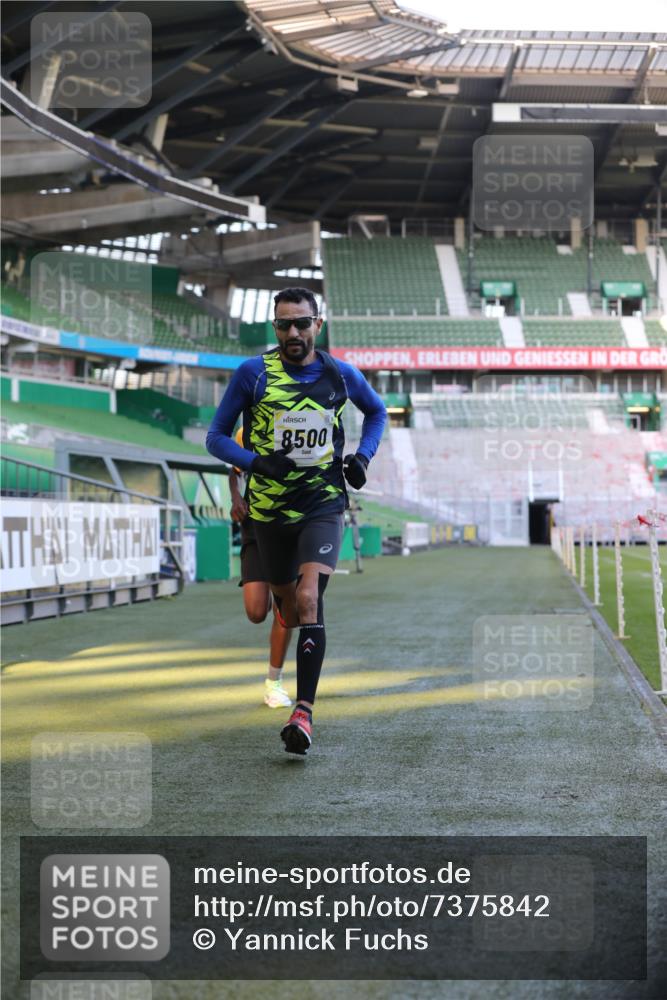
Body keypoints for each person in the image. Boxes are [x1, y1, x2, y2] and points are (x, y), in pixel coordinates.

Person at [206, 286, 387, 756]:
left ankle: (303, 712)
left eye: (302, 323)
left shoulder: (340, 375)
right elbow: (215, 437)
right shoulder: (252, 374)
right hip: (267, 513)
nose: (293, 332)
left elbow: (377, 412)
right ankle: (290, 637)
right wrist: (256, 462)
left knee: (309, 599)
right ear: (275, 327)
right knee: (284, 606)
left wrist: (362, 458)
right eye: (284, 324)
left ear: (317, 325)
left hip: (323, 505)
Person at [229, 427, 293, 708]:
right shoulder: (247, 431)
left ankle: (274, 683)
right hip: (255, 525)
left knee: (285, 610)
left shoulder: (299, 422)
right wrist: (236, 498)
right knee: (256, 612)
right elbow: (234, 470)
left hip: (292, 522)